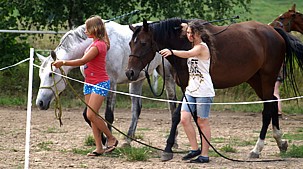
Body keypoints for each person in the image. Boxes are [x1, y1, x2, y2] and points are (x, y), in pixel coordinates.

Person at [52, 15, 118, 156]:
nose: (85, 31)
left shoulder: (98, 45)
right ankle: (99, 146)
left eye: (87, 28)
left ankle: (111, 138)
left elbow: (82, 61)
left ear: (94, 29)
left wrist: (63, 63)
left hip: (99, 83)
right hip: (89, 83)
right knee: (92, 116)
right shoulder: (93, 43)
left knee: (91, 114)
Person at [159, 20, 216, 163]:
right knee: (184, 119)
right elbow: (186, 27)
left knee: (202, 121)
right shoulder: (193, 40)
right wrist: (185, 25)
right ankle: (194, 148)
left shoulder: (201, 48)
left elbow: (188, 54)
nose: (189, 35)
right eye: (188, 33)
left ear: (199, 33)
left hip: (204, 90)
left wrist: (172, 52)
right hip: (191, 89)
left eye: (192, 33)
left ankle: (204, 155)